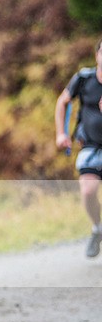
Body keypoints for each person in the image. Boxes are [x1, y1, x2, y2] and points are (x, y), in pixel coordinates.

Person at [55, 39, 102, 258]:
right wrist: (61, 133)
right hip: (91, 146)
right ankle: (97, 228)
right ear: (97, 56)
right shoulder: (84, 79)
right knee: (88, 191)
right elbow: (62, 102)